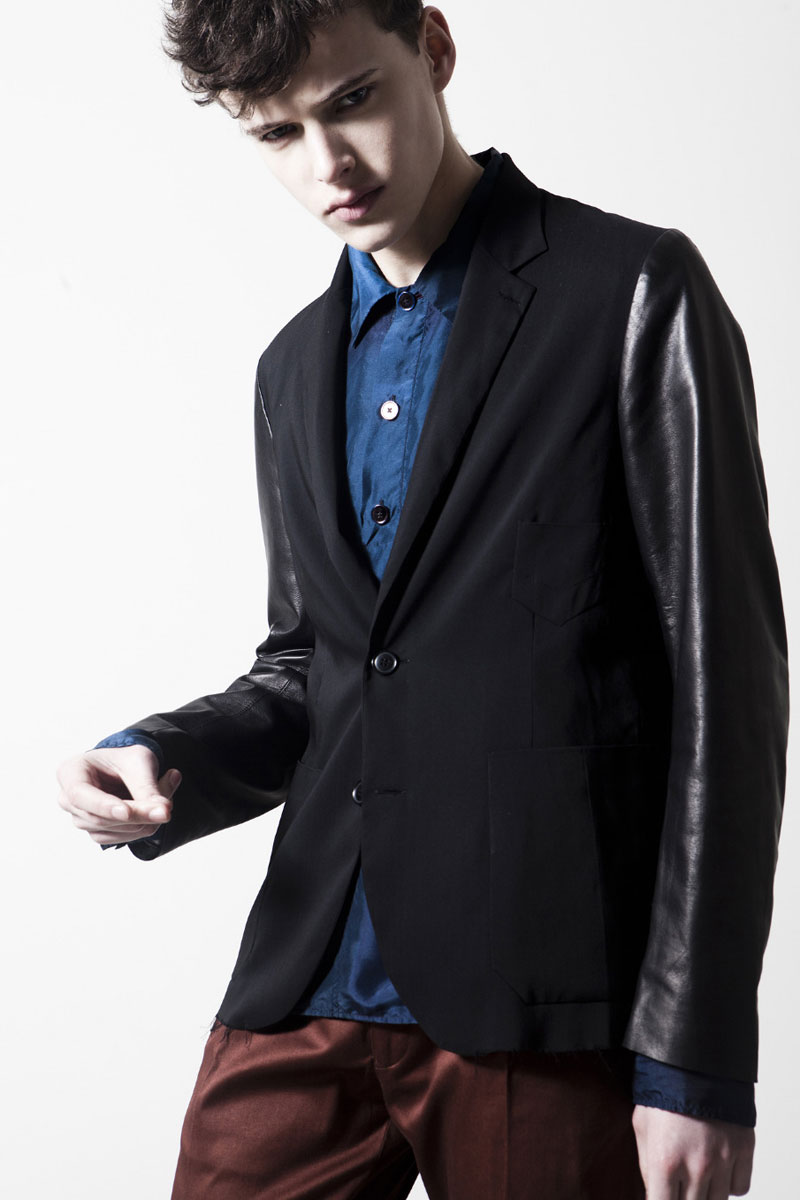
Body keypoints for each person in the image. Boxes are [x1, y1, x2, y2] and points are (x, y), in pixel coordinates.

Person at [55, 2, 789, 1197]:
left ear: (434, 51)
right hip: (309, 971)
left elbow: (727, 693)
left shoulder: (629, 290)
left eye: (351, 101)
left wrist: (693, 1058)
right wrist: (160, 752)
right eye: (275, 134)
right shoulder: (292, 367)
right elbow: (312, 666)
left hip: (537, 997)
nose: (327, 165)